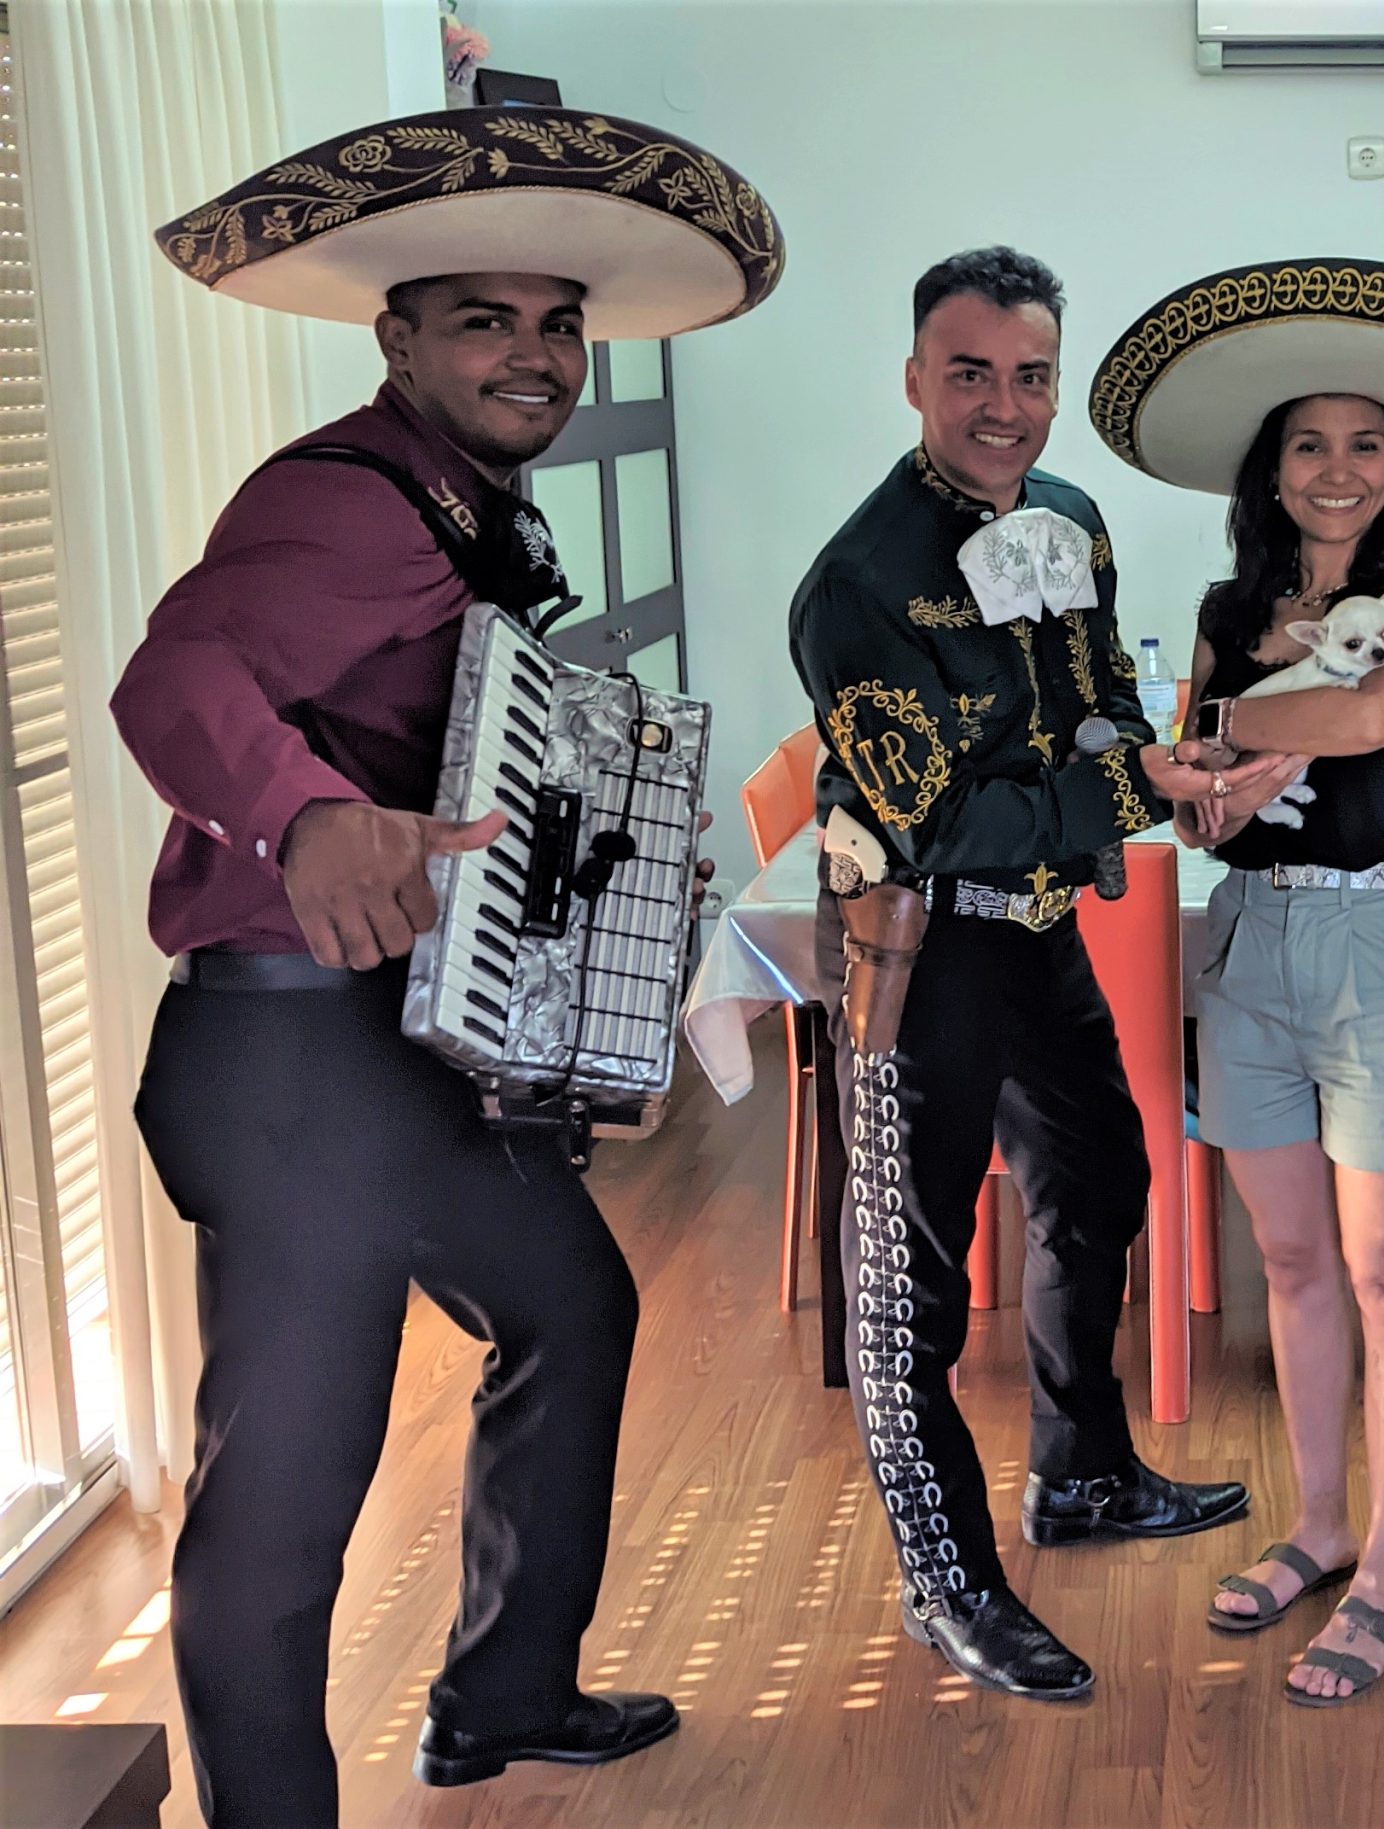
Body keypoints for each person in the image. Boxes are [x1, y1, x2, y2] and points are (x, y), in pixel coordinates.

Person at [116, 107, 781, 1824]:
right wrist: (303, 817)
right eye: (484, 319)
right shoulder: (342, 503)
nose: (536, 354)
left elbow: (468, 776)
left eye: (557, 322)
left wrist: (607, 874)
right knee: (289, 1489)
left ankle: (503, 1695)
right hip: (291, 1064)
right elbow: (172, 681)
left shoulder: (471, 506)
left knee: (570, 1299)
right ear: (395, 337)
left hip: (400, 1051)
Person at [1087, 258, 1384, 1703]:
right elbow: (1187, 802)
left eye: (1366, 444)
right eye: (1311, 443)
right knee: (1289, 1262)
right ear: (1272, 470)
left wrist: (1230, 715)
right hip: (1250, 940)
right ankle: (1314, 1524)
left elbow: (1369, 713)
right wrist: (1211, 789)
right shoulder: (1232, 599)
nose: (1338, 468)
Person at [788, 247, 1253, 1705]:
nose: (1004, 405)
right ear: (916, 377)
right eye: (971, 372)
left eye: (1031, 374)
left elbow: (1103, 687)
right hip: (915, 952)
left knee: (1108, 1176)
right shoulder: (857, 585)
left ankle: (1085, 1475)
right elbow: (933, 821)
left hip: (1041, 927)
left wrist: (1153, 759)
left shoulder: (1073, 514)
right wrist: (1125, 799)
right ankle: (948, 1580)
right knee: (908, 1281)